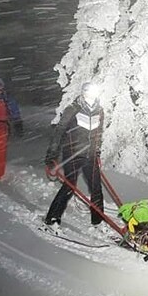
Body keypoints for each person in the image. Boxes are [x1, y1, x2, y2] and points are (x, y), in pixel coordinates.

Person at [43, 82, 105, 231]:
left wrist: (97, 152)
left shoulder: (99, 111)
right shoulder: (73, 109)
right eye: (88, 92)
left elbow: (98, 134)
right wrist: (52, 156)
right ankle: (52, 219)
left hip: (89, 155)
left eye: (94, 92)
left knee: (96, 187)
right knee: (70, 186)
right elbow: (58, 132)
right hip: (72, 153)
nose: (91, 95)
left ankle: (98, 221)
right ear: (83, 93)